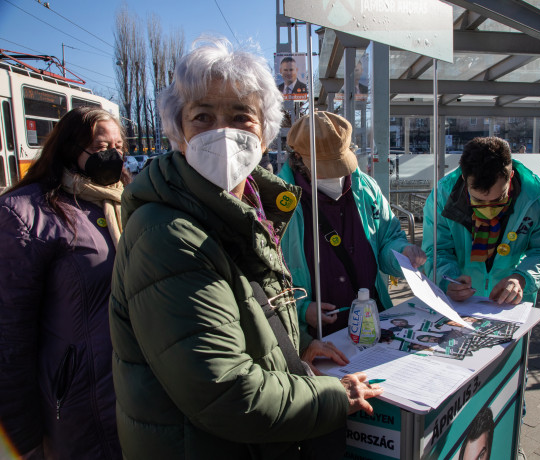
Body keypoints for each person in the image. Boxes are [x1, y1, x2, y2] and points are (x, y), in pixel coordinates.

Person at [109, 37, 382, 459]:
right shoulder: (168, 235)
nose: (223, 131)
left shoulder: (246, 207)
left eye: (241, 116)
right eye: (202, 116)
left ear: (265, 130)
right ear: (178, 131)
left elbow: (246, 311)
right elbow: (225, 392)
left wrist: (298, 343)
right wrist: (335, 395)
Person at [0, 106, 127, 459]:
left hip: (132, 395)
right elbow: (9, 336)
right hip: (76, 406)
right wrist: (23, 440)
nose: (113, 156)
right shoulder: (25, 214)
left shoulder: (126, 203)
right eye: (102, 147)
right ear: (71, 148)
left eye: (119, 147)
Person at [279, 111, 426, 338]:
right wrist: (299, 309)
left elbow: (388, 238)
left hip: (372, 321)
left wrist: (402, 252)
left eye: (339, 165)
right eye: (325, 168)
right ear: (299, 159)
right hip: (315, 335)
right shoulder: (279, 201)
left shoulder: (366, 187)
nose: (335, 177)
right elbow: (265, 276)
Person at [422, 136, 540, 305]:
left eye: (499, 198)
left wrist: (522, 278)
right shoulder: (442, 197)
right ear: (464, 179)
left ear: (511, 175)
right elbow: (436, 250)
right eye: (479, 201)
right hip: (459, 303)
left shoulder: (539, 198)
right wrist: (449, 280)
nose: (489, 210)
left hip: (512, 303)